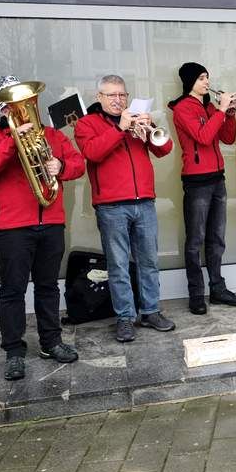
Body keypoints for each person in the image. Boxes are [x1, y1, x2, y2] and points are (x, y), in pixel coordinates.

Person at [0, 77, 85, 381]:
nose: (21, 108)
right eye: (13, 104)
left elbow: (78, 163)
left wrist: (61, 166)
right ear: (3, 109)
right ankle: (13, 352)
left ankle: (51, 342)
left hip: (51, 222)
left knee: (48, 286)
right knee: (13, 290)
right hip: (11, 227)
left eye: (26, 102)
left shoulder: (52, 135)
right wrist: (12, 142)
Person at [75, 75, 177, 341]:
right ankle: (125, 317)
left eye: (122, 95)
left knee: (149, 261)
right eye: (112, 95)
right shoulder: (87, 123)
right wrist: (120, 129)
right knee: (118, 265)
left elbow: (164, 149)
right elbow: (92, 153)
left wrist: (150, 127)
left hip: (144, 201)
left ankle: (151, 311)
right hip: (111, 206)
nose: (118, 100)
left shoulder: (135, 119)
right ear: (99, 97)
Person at [169, 62, 236, 314]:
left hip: (217, 178)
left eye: (207, 77)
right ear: (190, 81)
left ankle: (217, 289)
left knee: (217, 239)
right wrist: (221, 110)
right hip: (196, 181)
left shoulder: (210, 107)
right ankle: (196, 294)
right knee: (195, 240)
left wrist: (229, 114)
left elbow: (227, 138)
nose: (207, 82)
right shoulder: (182, 108)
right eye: (202, 78)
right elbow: (202, 137)